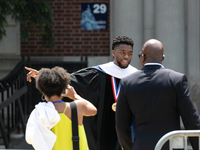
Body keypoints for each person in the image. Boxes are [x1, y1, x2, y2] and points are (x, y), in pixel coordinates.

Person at [25, 35, 138, 150]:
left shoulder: (137, 76)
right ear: (114, 53)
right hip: (103, 130)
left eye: (130, 53)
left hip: (129, 127)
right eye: (122, 53)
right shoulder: (100, 73)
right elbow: (71, 80)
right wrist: (42, 75)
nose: (126, 56)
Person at [115, 39, 200, 150]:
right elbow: (190, 120)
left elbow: (121, 125)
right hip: (170, 146)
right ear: (162, 58)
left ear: (142, 57)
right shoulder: (177, 80)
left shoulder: (127, 83)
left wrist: (129, 147)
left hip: (141, 146)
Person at [25, 66, 97, 150]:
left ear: (42, 91)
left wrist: (43, 79)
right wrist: (75, 96)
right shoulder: (78, 107)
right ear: (63, 88)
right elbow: (93, 110)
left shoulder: (41, 112)